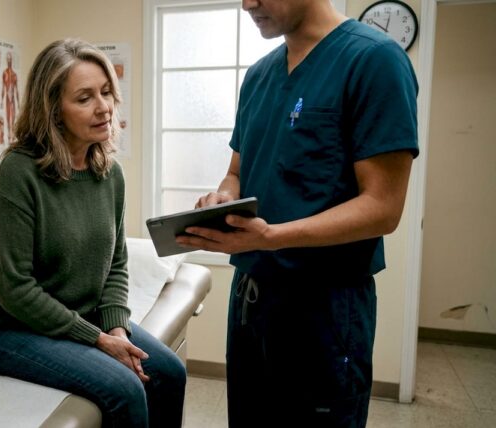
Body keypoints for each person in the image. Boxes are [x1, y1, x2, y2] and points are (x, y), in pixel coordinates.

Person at [176, 1, 419, 427]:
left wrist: (270, 237)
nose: (248, 3)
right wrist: (222, 198)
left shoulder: (373, 60)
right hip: (250, 300)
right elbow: (236, 171)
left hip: (324, 309)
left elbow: (383, 207)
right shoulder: (258, 77)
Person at [0, 38, 186, 428]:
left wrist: (116, 324)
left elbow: (116, 262)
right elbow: (14, 289)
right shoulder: (19, 173)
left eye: (105, 92)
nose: (103, 106)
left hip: (80, 315)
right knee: (125, 389)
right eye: (84, 98)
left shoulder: (109, 173)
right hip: (4, 328)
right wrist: (98, 339)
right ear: (53, 110)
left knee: (170, 373)